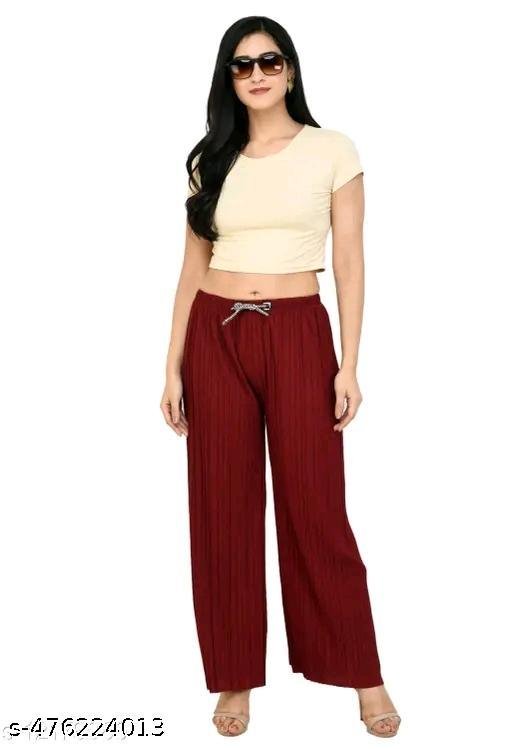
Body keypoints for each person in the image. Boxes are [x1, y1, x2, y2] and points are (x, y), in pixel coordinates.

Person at [161, 15, 402, 740]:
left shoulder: (332, 149)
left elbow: (350, 259)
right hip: (215, 333)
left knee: (315, 506)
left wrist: (350, 362)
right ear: (228, 78)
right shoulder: (211, 159)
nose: (257, 74)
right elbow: (192, 267)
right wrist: (172, 364)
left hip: (297, 331)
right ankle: (234, 676)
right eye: (242, 65)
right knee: (222, 510)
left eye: (270, 60)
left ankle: (363, 672)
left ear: (290, 69)